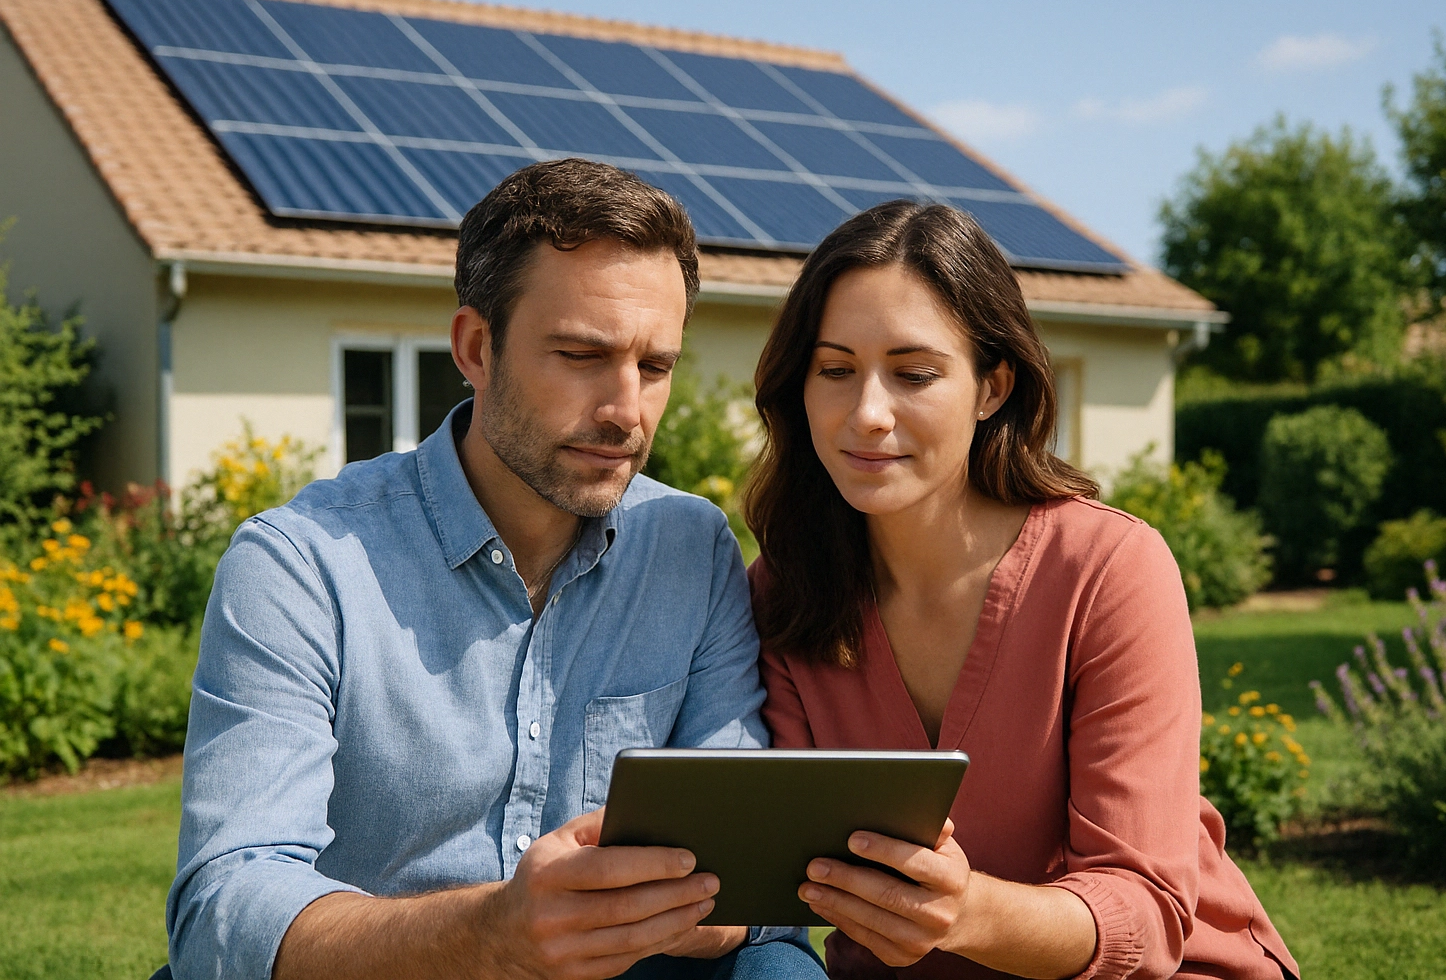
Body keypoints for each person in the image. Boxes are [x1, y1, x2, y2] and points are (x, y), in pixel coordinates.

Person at [163, 159, 823, 980]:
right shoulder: (300, 564)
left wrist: (720, 909)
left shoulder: (690, 547)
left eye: (654, 367)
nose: (626, 411)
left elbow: (745, 862)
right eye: (582, 355)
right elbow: (224, 911)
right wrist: (491, 932)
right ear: (476, 348)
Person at [743, 201, 1300, 980]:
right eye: (835, 370)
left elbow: (1144, 909)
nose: (867, 413)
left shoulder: (1109, 568)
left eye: (914, 374)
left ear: (991, 387)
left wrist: (966, 913)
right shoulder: (784, 588)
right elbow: (784, 873)